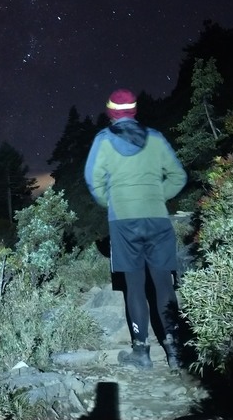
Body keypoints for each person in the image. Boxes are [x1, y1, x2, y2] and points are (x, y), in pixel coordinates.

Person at [84, 88, 187, 369]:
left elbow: (93, 181)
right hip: (157, 220)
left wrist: (115, 202)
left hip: (123, 223)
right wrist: (156, 196)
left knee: (135, 286)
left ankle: (141, 353)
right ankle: (175, 352)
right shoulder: (155, 138)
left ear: (111, 112)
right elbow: (179, 175)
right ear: (134, 110)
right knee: (164, 284)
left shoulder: (103, 141)